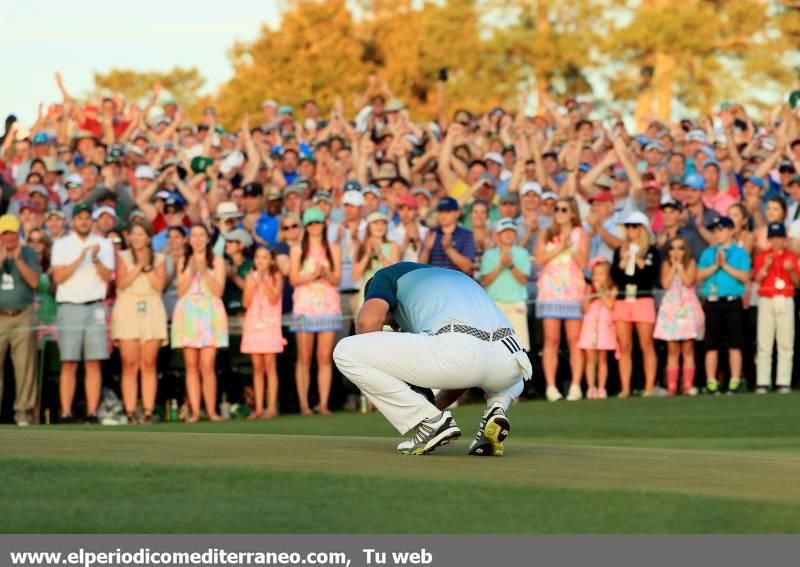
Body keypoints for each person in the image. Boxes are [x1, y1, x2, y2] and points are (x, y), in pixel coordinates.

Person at [333, 262, 532, 455]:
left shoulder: (385, 276)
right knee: (509, 367)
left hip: (458, 350)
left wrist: (391, 388)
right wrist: (432, 409)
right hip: (512, 362)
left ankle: (429, 424)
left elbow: (368, 321)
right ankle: (497, 407)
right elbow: (464, 372)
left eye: (389, 320)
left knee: (345, 351)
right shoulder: (456, 278)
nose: (393, 326)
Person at [51, 204, 115, 423]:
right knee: (68, 362)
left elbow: (108, 277)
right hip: (69, 306)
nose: (84, 222)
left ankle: (92, 411)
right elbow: (58, 277)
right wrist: (81, 258)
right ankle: (66, 412)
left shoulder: (104, 245)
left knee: (93, 362)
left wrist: (95, 259)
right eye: (80, 218)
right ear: (73, 221)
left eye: (88, 218)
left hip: (95, 306)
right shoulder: (62, 245)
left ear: (92, 221)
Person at [111, 220, 167, 424]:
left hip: (151, 306)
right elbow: (122, 283)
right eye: (133, 234)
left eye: (141, 234)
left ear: (149, 237)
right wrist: (138, 267)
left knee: (149, 363)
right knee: (129, 364)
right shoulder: (123, 257)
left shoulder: (159, 258)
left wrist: (148, 267)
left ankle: (149, 410)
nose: (136, 238)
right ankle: (130, 410)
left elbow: (160, 285)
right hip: (128, 306)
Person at [171, 223, 228, 422]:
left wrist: (203, 270)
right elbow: (180, 290)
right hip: (189, 313)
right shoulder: (183, 261)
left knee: (207, 365)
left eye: (201, 235)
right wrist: (191, 269)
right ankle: (195, 411)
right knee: (191, 365)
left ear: (207, 238)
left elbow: (218, 290)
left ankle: (211, 410)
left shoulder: (218, 261)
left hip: (209, 312)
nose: (197, 239)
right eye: (193, 235)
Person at [534, 197, 589, 401]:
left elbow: (583, 262)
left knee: (574, 340)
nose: (559, 212)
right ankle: (551, 386)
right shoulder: (546, 233)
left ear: (572, 212)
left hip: (572, 291)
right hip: (550, 291)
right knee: (551, 340)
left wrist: (570, 246)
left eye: (564, 209)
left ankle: (576, 385)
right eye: (556, 209)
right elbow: (539, 259)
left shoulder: (580, 233)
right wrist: (559, 247)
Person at [289, 207, 342, 415]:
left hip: (328, 306)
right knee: (304, 356)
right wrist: (312, 275)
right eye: (310, 223)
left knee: (323, 357)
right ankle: (304, 404)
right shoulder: (297, 250)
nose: (314, 227)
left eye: (317, 222)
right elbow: (294, 279)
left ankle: (324, 403)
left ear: (323, 224)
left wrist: (326, 273)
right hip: (304, 306)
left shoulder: (334, 248)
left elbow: (337, 279)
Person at [697, 216, 751, 393]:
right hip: (712, 301)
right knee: (711, 343)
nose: (718, 234)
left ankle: (735, 379)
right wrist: (716, 265)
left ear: (731, 230)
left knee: (734, 343)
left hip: (732, 301)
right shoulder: (708, 253)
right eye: (715, 230)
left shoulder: (740, 253)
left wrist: (725, 265)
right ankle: (711, 380)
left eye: (721, 230)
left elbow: (744, 276)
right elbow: (699, 275)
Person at [610, 211, 661, 397]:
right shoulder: (620, 251)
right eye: (628, 226)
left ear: (643, 229)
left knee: (646, 343)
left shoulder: (651, 251)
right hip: (623, 300)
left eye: (635, 226)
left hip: (643, 299)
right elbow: (615, 276)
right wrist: (623, 260)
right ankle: (625, 387)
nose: (630, 230)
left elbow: (651, 276)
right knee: (624, 345)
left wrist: (638, 259)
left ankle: (649, 387)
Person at [0, 215, 41, 425]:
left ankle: (23, 411)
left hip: (22, 314)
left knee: (25, 366)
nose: (9, 238)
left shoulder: (27, 253)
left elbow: (34, 282)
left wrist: (18, 261)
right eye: (4, 234)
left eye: (12, 233)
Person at [654, 235, 704, 396]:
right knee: (672, 348)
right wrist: (673, 268)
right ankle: (672, 386)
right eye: (673, 248)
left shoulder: (691, 263)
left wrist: (680, 268)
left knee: (688, 348)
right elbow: (666, 284)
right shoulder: (666, 265)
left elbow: (689, 282)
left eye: (680, 248)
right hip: (671, 308)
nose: (676, 251)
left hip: (687, 306)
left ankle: (688, 385)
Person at [752, 222, 799, 394]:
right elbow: (756, 278)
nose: (776, 241)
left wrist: (791, 270)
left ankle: (783, 381)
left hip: (785, 298)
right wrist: (766, 265)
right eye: (773, 238)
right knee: (764, 341)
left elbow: (797, 281)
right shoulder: (762, 256)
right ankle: (763, 381)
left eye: (779, 237)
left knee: (786, 341)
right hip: (767, 298)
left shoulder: (791, 257)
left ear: (784, 239)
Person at [241, 246, 286, 418]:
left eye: (265, 257)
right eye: (258, 257)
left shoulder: (276, 277)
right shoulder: (249, 277)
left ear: (271, 260)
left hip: (270, 325)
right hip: (254, 325)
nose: (261, 261)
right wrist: (252, 284)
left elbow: (274, 299)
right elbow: (246, 302)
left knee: (270, 366)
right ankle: (259, 407)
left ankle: (271, 406)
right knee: (257, 368)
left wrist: (262, 281)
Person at [480, 218, 532, 351]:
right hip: (495, 305)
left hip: (516, 305)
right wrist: (501, 265)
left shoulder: (522, 253)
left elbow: (523, 280)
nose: (508, 234)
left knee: (519, 347)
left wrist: (511, 265)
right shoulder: (489, 255)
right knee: (495, 347)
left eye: (511, 231)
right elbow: (486, 281)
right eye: (504, 231)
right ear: (498, 235)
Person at [577, 257, 617, 400]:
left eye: (601, 273)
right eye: (595, 274)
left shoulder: (612, 288)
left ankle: (601, 388)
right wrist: (589, 295)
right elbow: (585, 308)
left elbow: (610, 305)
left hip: (604, 326)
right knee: (590, 359)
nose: (597, 277)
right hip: (590, 326)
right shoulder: (589, 288)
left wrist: (601, 291)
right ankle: (591, 387)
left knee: (602, 359)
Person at [352, 211, 399, 307]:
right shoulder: (361, 246)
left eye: (383, 223)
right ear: (368, 226)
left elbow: (395, 274)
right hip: (367, 293)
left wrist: (379, 253)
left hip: (387, 291)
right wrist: (367, 253)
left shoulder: (393, 245)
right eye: (375, 223)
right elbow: (355, 277)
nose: (380, 227)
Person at [419, 197, 475, 273]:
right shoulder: (431, 233)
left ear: (457, 213)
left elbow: (468, 267)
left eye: (447, 211)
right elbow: (420, 268)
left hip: (456, 282)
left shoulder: (466, 235)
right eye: (441, 211)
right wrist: (427, 249)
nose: (443, 215)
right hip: (434, 282)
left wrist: (448, 249)